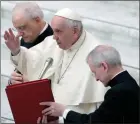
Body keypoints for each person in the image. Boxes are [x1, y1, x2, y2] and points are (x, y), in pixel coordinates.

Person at [4, 8, 106, 123]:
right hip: (48, 115)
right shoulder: (53, 43)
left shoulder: (97, 53)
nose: (54, 37)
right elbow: (31, 58)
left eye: (58, 31)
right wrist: (16, 50)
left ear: (75, 31)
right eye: (54, 31)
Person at [39, 45, 140, 124]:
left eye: (94, 72)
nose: (96, 78)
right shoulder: (128, 83)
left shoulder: (118, 92)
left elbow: (93, 122)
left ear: (104, 66)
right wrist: (60, 121)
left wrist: (63, 111)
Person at [8, 2, 53, 85]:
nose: (19, 33)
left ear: (37, 20)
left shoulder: (56, 40)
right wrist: (13, 80)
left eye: (22, 27)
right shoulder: (24, 39)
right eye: (17, 29)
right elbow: (18, 71)